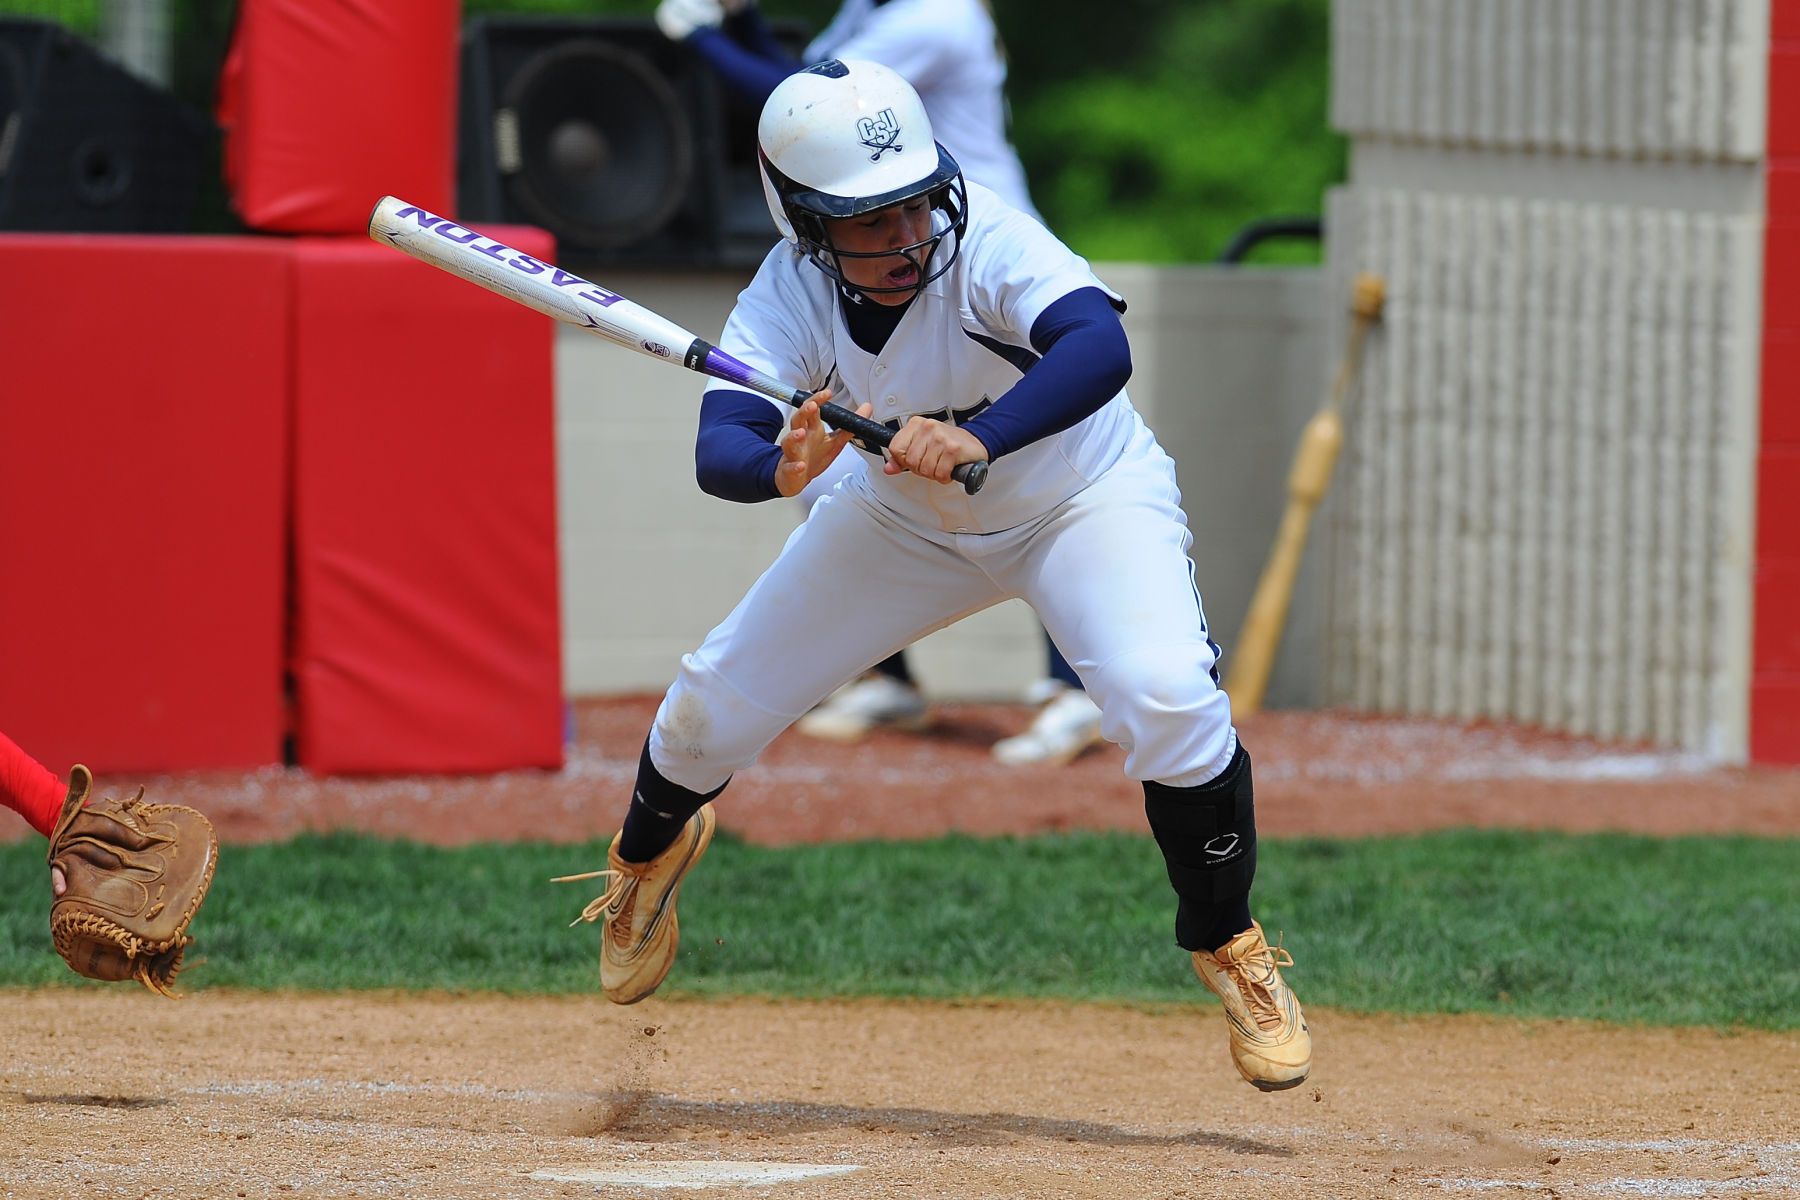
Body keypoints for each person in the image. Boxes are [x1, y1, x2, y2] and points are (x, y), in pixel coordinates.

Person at [562, 60, 1312, 1092]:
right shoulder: (785, 293)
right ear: (809, 226)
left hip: (1079, 499)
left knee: (1166, 698)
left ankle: (1228, 943)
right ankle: (647, 857)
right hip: (898, 520)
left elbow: (1098, 344)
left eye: (913, 203)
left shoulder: (990, 240)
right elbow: (719, 445)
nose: (906, 235)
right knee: (709, 702)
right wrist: (781, 466)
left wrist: (984, 438)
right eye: (868, 220)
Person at [654, 0, 1104, 766]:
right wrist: (741, 21)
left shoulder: (937, 15)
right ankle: (888, 674)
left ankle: (1073, 684)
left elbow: (788, 104)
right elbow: (799, 112)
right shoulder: (865, 17)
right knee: (816, 470)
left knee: (1029, 472)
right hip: (879, 264)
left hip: (970, 265)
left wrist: (698, 38)